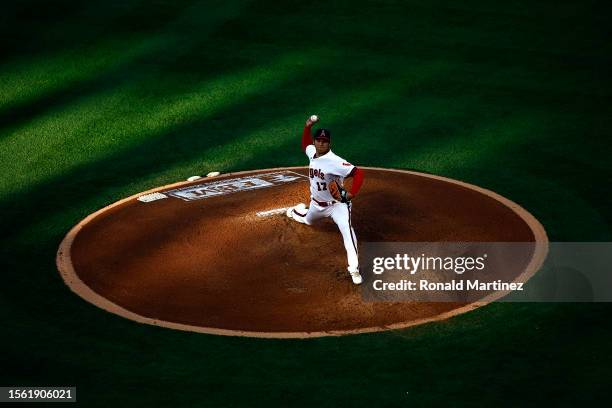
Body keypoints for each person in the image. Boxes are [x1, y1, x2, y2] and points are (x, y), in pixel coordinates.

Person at [286, 115, 365, 284]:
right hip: (316, 204)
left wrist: (352, 194)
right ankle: (296, 211)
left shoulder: (335, 161)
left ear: (329, 143)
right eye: (318, 140)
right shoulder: (313, 153)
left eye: (324, 141)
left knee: (348, 233)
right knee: (308, 221)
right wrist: (307, 127)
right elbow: (304, 145)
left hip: (337, 206)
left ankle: (354, 270)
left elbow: (358, 173)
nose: (321, 143)